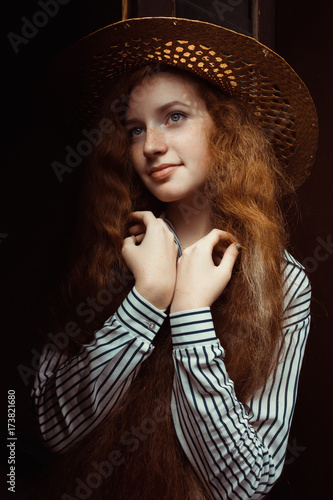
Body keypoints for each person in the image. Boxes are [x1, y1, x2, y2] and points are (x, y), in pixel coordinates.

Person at [31, 17, 318, 500]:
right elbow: (50, 430)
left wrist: (189, 314)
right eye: (134, 129)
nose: (152, 146)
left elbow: (247, 484)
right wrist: (147, 297)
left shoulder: (283, 281)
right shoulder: (107, 251)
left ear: (224, 130)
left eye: (175, 117)